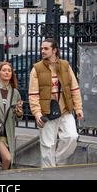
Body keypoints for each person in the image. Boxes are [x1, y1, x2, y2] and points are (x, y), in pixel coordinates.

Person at [28, 38, 84, 167]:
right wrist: (37, 113)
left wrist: (78, 108)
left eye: (46, 48)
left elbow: (74, 88)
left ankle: (58, 159)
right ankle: (49, 172)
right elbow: (33, 94)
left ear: (54, 50)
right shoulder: (36, 69)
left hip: (65, 110)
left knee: (71, 137)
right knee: (47, 145)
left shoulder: (65, 65)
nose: (43, 51)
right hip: (46, 112)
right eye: (42, 48)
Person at [0, 61, 24, 170]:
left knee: (8, 162)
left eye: (9, 71)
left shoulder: (15, 93)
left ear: (12, 74)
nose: (7, 73)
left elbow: (18, 117)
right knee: (7, 159)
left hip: (8, 133)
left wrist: (19, 112)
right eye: (4, 70)